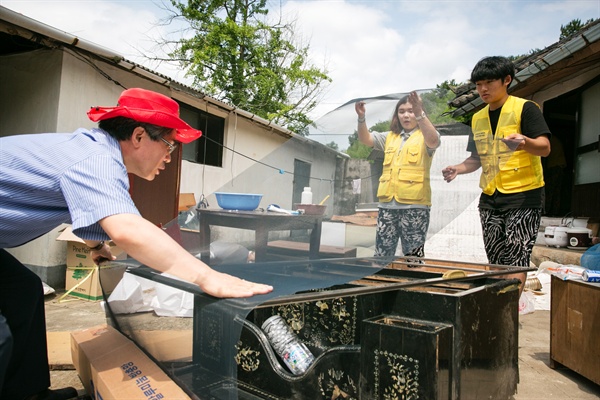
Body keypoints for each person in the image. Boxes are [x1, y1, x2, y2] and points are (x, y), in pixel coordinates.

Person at [0, 88, 273, 400]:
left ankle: (26, 393)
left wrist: (94, 247)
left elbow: (92, 214)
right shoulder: (97, 160)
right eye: (169, 145)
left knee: (23, 289)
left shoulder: (95, 155)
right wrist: (207, 277)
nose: (170, 157)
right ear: (140, 136)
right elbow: (127, 228)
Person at [442, 56, 551, 295]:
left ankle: (509, 311)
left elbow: (544, 147)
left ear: (507, 80)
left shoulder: (525, 108)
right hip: (490, 196)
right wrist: (458, 169)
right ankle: (498, 305)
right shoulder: (477, 118)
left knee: (516, 256)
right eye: (478, 84)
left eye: (489, 82)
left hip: (524, 195)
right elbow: (476, 159)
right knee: (496, 256)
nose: (482, 89)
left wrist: (524, 142)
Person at [355, 91, 441, 258]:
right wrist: (361, 118)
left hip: (415, 207)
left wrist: (420, 113)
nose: (406, 115)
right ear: (397, 115)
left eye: (411, 111)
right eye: (402, 111)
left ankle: (412, 283)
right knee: (381, 255)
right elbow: (365, 139)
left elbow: (434, 141)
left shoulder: (425, 135)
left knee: (413, 257)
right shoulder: (390, 137)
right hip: (387, 206)